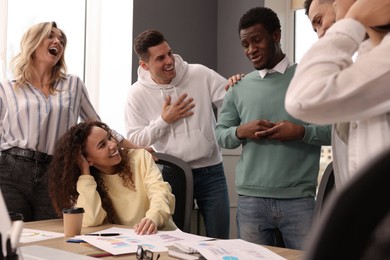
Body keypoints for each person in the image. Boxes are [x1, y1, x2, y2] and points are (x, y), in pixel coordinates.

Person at [215, 7, 331, 250]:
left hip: (299, 200)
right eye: (245, 44)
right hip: (250, 201)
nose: (250, 50)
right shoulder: (239, 86)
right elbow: (220, 135)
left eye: (256, 40)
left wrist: (300, 132)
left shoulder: (308, 77)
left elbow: (334, 130)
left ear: (276, 35)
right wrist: (241, 131)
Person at [0, 21, 138, 222]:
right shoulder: (6, 89)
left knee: (51, 237)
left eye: (61, 40)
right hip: (11, 169)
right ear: (33, 42)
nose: (58, 41)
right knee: (10, 239)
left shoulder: (73, 84)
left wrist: (136, 148)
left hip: (54, 171)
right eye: (50, 36)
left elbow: (97, 126)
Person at [125, 29, 230, 239]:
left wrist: (238, 84)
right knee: (176, 238)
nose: (169, 61)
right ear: (144, 65)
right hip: (174, 174)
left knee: (220, 237)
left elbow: (233, 102)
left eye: (170, 53)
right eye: (160, 58)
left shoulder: (199, 74)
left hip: (212, 171)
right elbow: (134, 139)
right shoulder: (136, 94)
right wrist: (164, 120)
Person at [285, 0, 390, 189]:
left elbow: (302, 98)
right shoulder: (366, 58)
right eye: (315, 29)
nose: (321, 34)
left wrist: (353, 20)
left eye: (319, 20)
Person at [47, 121, 176, 234]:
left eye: (109, 138)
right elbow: (92, 219)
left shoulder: (140, 157)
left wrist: (153, 218)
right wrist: (85, 173)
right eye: (102, 145)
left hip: (160, 236)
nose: (113, 145)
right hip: (125, 244)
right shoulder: (88, 182)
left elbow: (161, 192)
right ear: (87, 159)